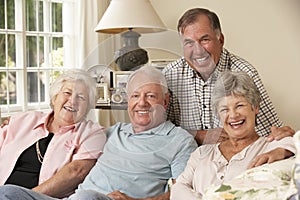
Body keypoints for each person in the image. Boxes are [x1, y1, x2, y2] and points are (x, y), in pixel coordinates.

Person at [0, 65, 198, 200]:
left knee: (88, 197)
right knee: (8, 193)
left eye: (151, 96)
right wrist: (13, 124)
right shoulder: (112, 132)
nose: (142, 103)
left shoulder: (180, 141)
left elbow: (181, 192)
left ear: (165, 101)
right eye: (135, 96)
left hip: (100, 199)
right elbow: (72, 129)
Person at [162, 8, 294, 145]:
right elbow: (157, 131)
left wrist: (283, 137)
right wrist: (197, 135)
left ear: (221, 40)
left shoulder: (245, 73)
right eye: (189, 43)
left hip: (235, 157)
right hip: (188, 158)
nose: (198, 51)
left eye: (204, 39)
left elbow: (269, 132)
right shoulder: (170, 75)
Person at [169, 71, 296, 200]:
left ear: (255, 107)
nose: (233, 115)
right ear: (218, 115)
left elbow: (296, 146)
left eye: (239, 106)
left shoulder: (272, 146)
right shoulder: (202, 153)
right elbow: (178, 189)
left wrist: (285, 148)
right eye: (224, 109)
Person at [0, 69, 107, 198]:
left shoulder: (92, 133)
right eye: (67, 93)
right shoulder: (23, 120)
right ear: (55, 97)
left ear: (88, 106)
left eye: (81, 97)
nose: (73, 101)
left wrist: (24, 197)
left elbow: (76, 172)